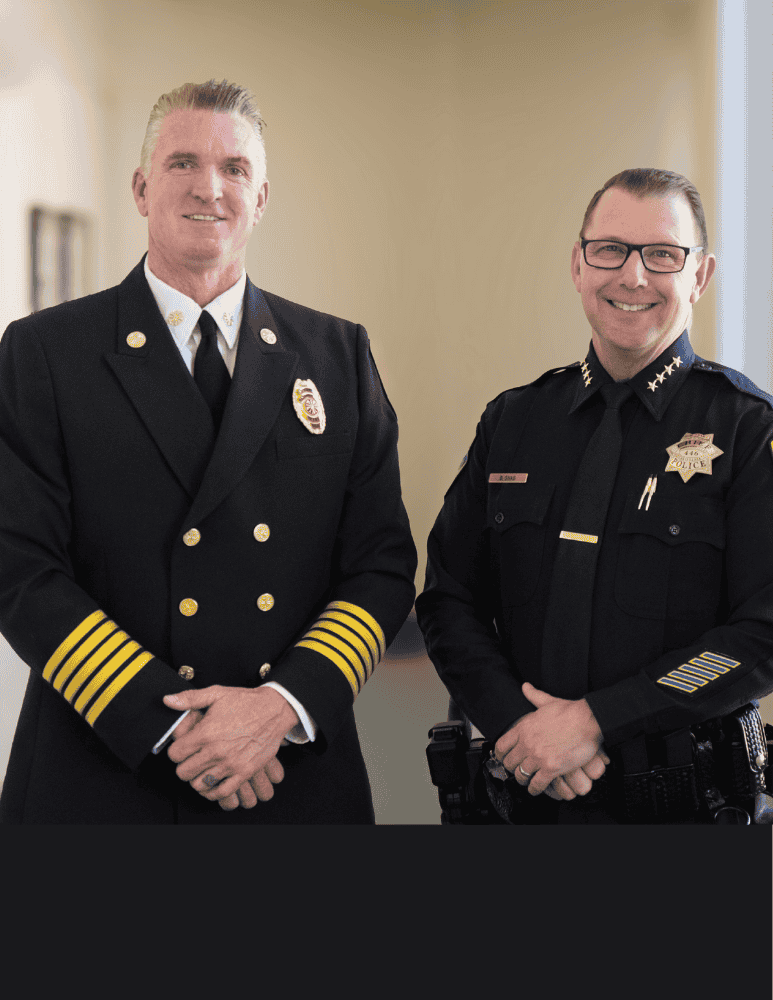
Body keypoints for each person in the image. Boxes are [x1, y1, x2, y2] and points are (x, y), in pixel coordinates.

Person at [0, 79, 416, 824]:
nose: (208, 187)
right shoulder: (45, 353)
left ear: (260, 198)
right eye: (182, 162)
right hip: (104, 766)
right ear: (140, 188)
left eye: (234, 169)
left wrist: (278, 709)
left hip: (288, 764)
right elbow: (19, 565)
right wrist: (178, 728)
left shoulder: (335, 354)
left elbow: (380, 565)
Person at [417, 168, 773, 824]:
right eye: (609, 250)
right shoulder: (513, 421)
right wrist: (518, 728)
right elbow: (447, 600)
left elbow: (762, 632)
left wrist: (595, 721)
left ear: (699, 276)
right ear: (578, 265)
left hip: (682, 812)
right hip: (512, 797)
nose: (632, 277)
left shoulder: (748, 428)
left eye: (662, 255)